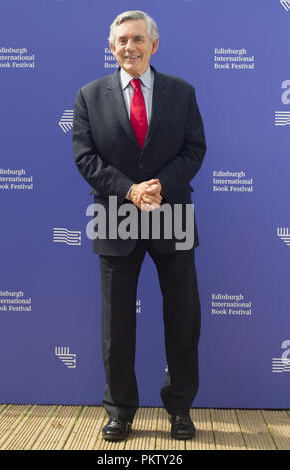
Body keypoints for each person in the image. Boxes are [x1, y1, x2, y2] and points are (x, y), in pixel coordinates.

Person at [72, 10, 206, 441]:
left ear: (154, 44)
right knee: (117, 325)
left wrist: (159, 187)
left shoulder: (181, 93)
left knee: (183, 317)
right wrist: (130, 191)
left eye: (137, 39)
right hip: (114, 212)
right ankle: (120, 411)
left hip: (173, 212)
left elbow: (194, 149)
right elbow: (86, 158)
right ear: (111, 48)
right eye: (121, 41)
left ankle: (180, 409)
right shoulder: (88, 96)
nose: (129, 47)